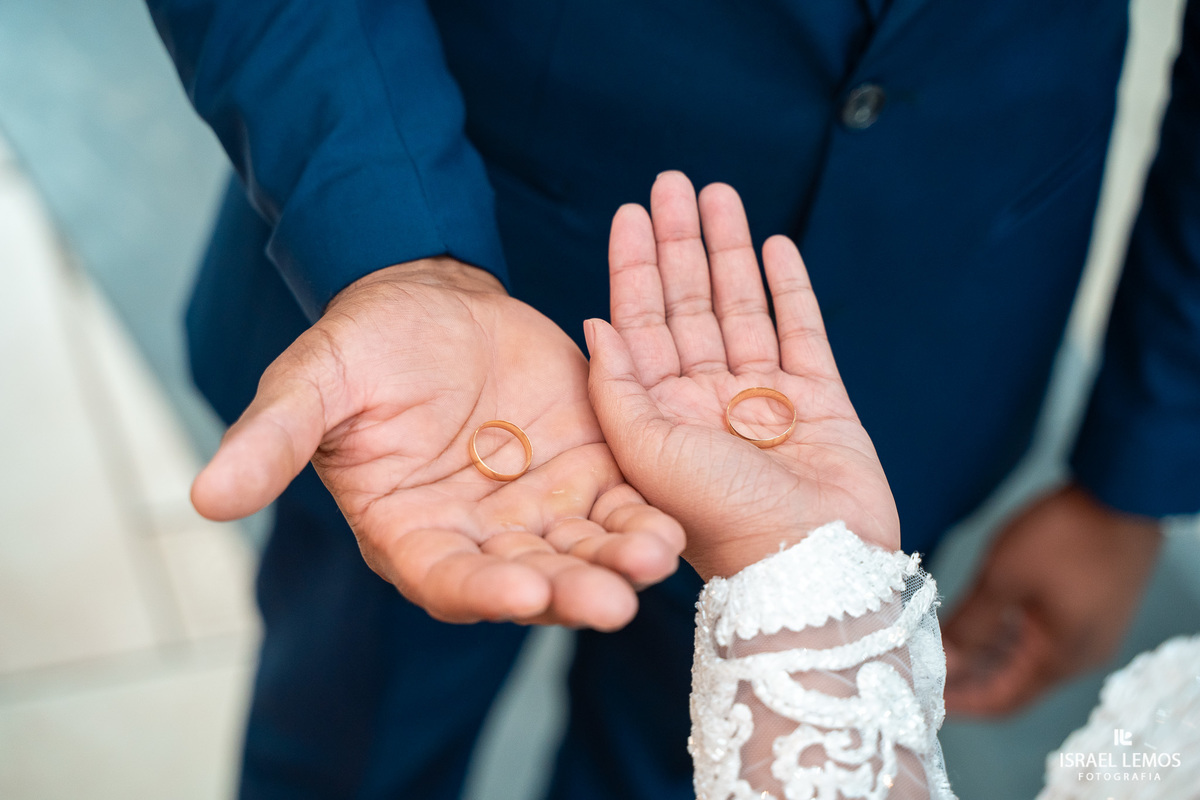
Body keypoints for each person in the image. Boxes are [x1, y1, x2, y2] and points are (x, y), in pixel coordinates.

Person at [143, 2, 1198, 797]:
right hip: (459, 255)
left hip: (917, 323)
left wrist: (1141, 461)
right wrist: (393, 245)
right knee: (350, 738)